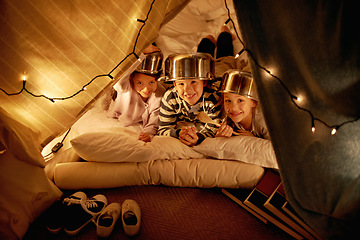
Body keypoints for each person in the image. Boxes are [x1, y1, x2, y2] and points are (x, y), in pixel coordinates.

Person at [157, 52, 222, 146]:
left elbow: (213, 130)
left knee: (224, 60)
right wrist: (178, 133)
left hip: (216, 72)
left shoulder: (212, 99)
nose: (187, 90)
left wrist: (198, 138)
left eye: (193, 82)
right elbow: (163, 129)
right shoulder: (170, 98)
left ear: (204, 82)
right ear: (174, 84)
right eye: (181, 84)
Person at [106, 44, 166, 142]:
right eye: (140, 83)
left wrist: (148, 133)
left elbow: (155, 119)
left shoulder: (159, 92)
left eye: (152, 82)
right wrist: (141, 55)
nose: (146, 89)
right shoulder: (125, 86)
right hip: (116, 116)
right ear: (131, 78)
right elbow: (120, 76)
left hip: (139, 122)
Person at [216, 70, 270, 140]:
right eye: (228, 101)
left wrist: (254, 140)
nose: (233, 108)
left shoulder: (264, 122)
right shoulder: (225, 119)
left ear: (254, 102)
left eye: (240, 100)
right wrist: (220, 138)